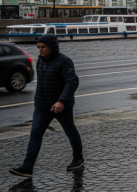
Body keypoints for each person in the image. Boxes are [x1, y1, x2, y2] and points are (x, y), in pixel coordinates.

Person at [10, 34, 83, 178]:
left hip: (61, 107)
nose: (40, 50)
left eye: (43, 47)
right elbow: (41, 85)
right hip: (42, 107)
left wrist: (61, 101)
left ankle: (78, 158)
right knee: (35, 135)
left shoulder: (64, 61)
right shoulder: (40, 61)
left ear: (52, 47)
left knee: (70, 131)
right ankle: (27, 167)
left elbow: (72, 82)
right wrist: (37, 103)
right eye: (38, 47)